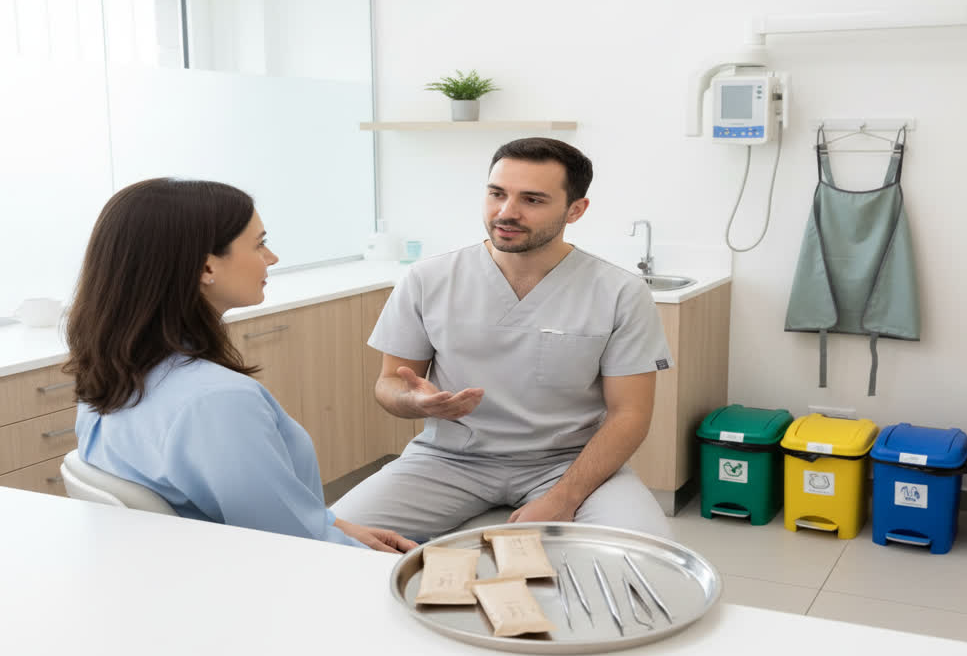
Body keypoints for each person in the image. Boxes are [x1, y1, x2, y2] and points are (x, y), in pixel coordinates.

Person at [331, 138, 674, 541]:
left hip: (568, 463)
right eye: (497, 194)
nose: (506, 213)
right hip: (448, 460)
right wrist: (414, 402)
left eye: (532, 200)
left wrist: (565, 497)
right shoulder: (428, 279)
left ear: (575, 210)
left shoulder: (619, 291)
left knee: (644, 559)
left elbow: (629, 414)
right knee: (330, 540)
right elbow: (389, 383)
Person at [65, 178, 416, 553]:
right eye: (259, 243)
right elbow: (293, 548)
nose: (272, 258)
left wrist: (338, 525)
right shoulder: (218, 402)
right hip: (270, 582)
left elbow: (257, 514)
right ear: (205, 267)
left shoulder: (112, 374)